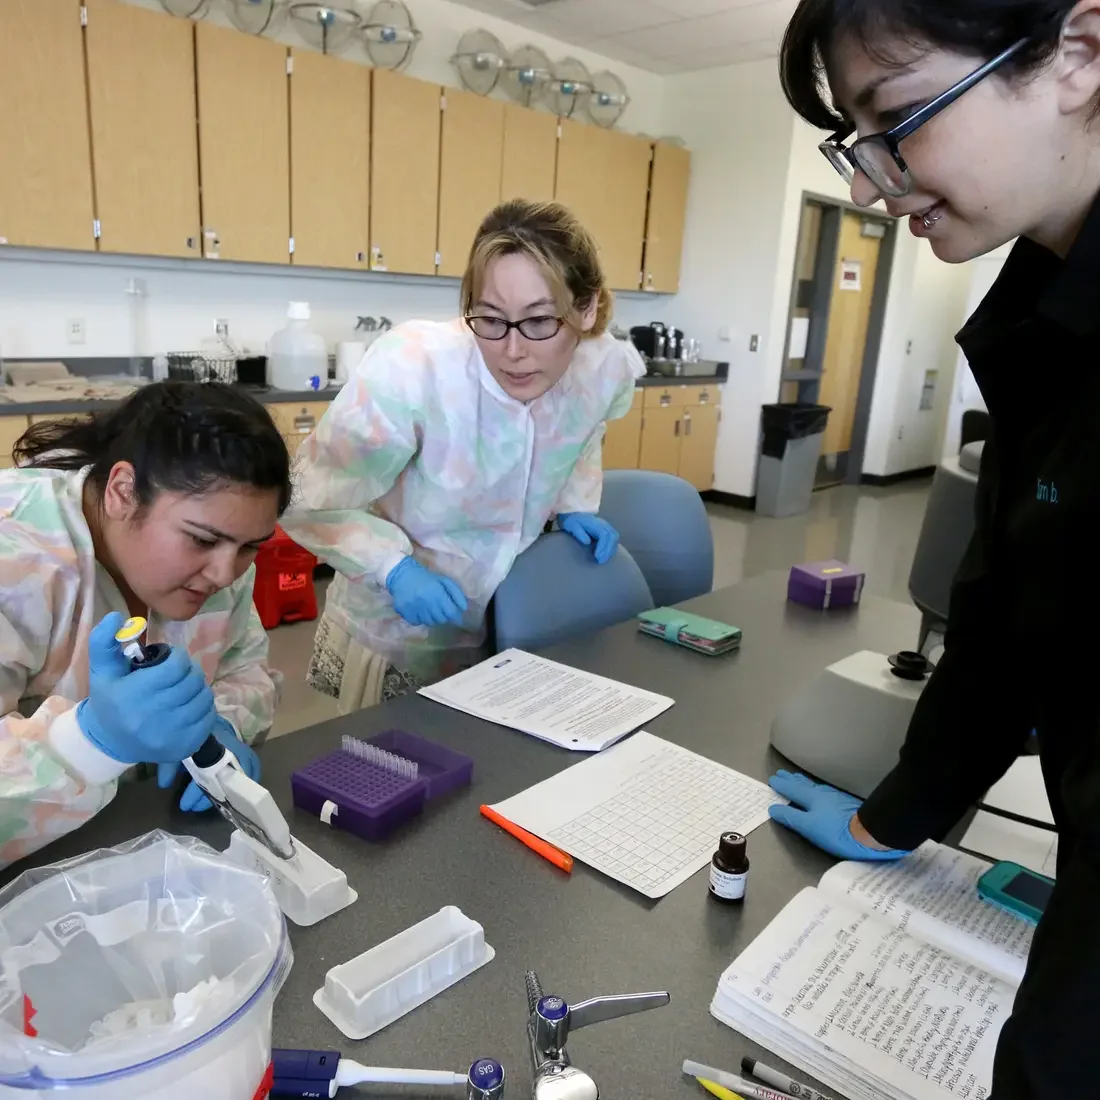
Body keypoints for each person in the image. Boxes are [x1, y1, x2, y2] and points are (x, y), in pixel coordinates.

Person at [768, 1, 1100, 1095]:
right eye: (854, 143)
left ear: (1079, 54)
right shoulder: (1042, 317)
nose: (868, 185)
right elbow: (1009, 609)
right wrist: (898, 809)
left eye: (898, 118)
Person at [283, 199, 645, 711]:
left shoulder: (601, 366)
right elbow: (308, 498)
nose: (512, 351)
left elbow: (583, 435)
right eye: (492, 319)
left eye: (540, 321)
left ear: (586, 308)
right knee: (396, 770)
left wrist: (572, 506)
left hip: (515, 619)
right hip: (400, 628)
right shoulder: (415, 370)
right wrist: (392, 569)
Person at [0, 381, 290, 869]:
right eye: (201, 540)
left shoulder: (224, 551)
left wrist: (218, 724)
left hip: (140, 846)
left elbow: (247, 669)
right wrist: (88, 740)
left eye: (250, 547)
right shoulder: (17, 559)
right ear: (122, 492)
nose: (226, 574)